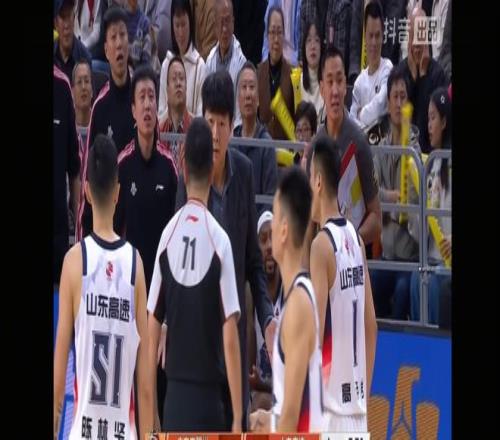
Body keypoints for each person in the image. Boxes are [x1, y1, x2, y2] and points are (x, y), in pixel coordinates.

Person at [175, 70, 276, 430]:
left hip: (234, 334)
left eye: (222, 123)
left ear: (232, 127)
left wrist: (267, 318)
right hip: (197, 341)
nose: (215, 134)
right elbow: (174, 259)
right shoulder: (188, 174)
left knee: (237, 424)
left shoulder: (245, 172)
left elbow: (253, 261)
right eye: (209, 123)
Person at [54, 134, 153, 440]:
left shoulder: (74, 262)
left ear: (85, 191)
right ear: (118, 193)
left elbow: (58, 378)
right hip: (122, 431)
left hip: (83, 431)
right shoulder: (135, 264)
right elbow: (145, 385)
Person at [147, 117, 242, 431]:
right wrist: (238, 415)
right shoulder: (220, 241)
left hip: (174, 403)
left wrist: (151, 412)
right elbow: (230, 335)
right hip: (209, 405)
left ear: (183, 168)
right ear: (213, 170)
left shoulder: (167, 236)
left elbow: (151, 333)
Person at [308, 134, 377, 432]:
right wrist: (363, 399)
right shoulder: (356, 238)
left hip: (331, 413)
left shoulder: (321, 246)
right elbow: (371, 325)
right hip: (357, 414)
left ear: (318, 181)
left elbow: (313, 338)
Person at [250, 166, 323, 432]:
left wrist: (272, 424)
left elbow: (291, 419)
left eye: (275, 217)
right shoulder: (299, 294)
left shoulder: (298, 305)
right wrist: (266, 419)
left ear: (283, 231)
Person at [77, 5, 136, 241]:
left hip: (139, 216)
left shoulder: (142, 97)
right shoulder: (100, 108)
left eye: (123, 35)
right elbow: (87, 178)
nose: (119, 43)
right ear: (106, 50)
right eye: (113, 37)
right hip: (109, 223)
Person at [317, 46, 381, 249]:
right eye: (329, 82)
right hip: (323, 256)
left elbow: (376, 219)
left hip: (353, 257)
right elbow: (310, 217)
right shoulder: (316, 147)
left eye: (339, 81)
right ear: (321, 89)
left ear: (346, 85)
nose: (335, 91)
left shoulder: (359, 143)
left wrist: (350, 241)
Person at [370, 65, 419, 319]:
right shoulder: (380, 147)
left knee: (402, 292)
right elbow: (373, 193)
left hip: (409, 258)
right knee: (371, 283)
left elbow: (410, 206)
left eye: (403, 97)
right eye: (395, 97)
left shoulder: (415, 152)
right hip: (387, 255)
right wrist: (390, 198)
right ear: (388, 104)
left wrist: (392, 209)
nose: (399, 103)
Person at [409, 87, 451, 324]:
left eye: (433, 118)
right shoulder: (429, 166)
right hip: (430, 259)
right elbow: (419, 232)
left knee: (435, 285)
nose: (429, 125)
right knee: (416, 280)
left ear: (444, 122)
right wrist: (415, 206)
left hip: (447, 262)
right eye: (427, 119)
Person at [247, 211, 284, 412]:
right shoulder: (249, 296)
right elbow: (249, 373)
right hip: (256, 395)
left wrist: (263, 384)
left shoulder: (292, 292)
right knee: (258, 403)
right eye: (263, 240)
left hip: (286, 394)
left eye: (274, 238)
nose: (269, 246)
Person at [398, 6, 447, 153]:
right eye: (414, 35)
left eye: (421, 35)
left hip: (430, 155)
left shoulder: (438, 74)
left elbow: (433, 127)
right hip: (403, 155)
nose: (417, 44)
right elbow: (400, 117)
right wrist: (413, 79)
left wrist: (424, 77)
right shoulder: (400, 73)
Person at [232, 61, 278, 214]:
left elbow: (270, 199)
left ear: (258, 99)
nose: (248, 94)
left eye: (252, 87)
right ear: (238, 99)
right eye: (244, 87)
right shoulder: (231, 143)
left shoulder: (267, 145)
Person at [349, 0, 393, 130]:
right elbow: (352, 120)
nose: (374, 42)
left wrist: (361, 114)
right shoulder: (359, 82)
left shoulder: (388, 68)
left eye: (377, 36)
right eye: (370, 35)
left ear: (383, 36)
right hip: (361, 142)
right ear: (365, 36)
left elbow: (380, 104)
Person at [159, 0, 206, 117]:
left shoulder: (200, 66)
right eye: (177, 25)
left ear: (190, 23)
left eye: (184, 25)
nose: (180, 33)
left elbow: (202, 117)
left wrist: (183, 113)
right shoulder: (166, 64)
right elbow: (160, 112)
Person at [205, 0, 247, 126]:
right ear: (215, 26)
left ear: (233, 22)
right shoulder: (210, 61)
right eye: (221, 22)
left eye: (227, 21)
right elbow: (206, 106)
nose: (224, 29)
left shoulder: (241, 63)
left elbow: (239, 115)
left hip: (233, 131)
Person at [257, 5, 295, 140]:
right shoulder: (258, 73)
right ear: (267, 35)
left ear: (284, 36)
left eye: (279, 32)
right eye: (272, 32)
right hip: (263, 147)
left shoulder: (293, 74)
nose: (276, 39)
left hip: (286, 148)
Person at [159, 56, 194, 171]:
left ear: (186, 87)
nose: (178, 83)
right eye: (174, 79)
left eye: (182, 78)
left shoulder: (196, 129)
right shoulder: (159, 130)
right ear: (167, 89)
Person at [54, 0, 93, 82]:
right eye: (63, 18)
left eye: (69, 17)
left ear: (74, 18)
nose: (66, 25)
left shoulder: (85, 57)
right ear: (56, 23)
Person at [299, 19, 325, 125]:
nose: (313, 46)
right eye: (309, 40)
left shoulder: (327, 82)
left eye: (317, 40)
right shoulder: (296, 82)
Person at [261, 0, 301, 67]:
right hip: (274, 58)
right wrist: (266, 61)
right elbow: (266, 42)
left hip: (295, 63)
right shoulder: (273, 2)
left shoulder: (301, 3)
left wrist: (293, 61)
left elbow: (303, 48)